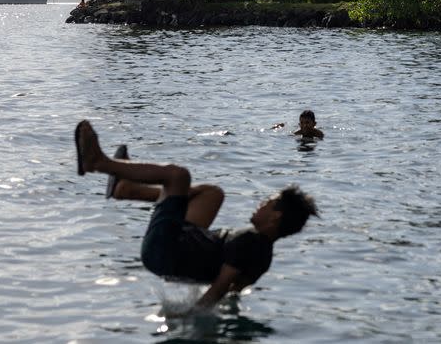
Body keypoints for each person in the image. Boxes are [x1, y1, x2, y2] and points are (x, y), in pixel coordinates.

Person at [74, 120, 318, 311]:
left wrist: (190, 315)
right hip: (179, 251)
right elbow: (234, 291)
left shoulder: (250, 243)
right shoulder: (263, 256)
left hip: (167, 250)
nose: (261, 204)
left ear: (275, 218)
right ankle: (127, 190)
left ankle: (98, 162)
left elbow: (220, 288)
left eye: (269, 202)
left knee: (178, 176)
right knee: (213, 194)